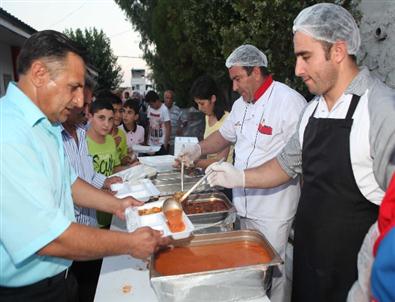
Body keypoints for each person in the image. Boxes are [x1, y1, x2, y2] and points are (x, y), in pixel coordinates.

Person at [204, 3, 395, 302]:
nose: (297, 69)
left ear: (338, 51)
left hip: (353, 275)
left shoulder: (382, 111)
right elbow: (283, 166)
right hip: (308, 261)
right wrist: (238, 176)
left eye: (306, 57)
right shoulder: (311, 112)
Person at [0, 30, 169, 302]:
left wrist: (119, 205)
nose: (80, 101)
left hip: (62, 279)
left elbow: (69, 182)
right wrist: (130, 243)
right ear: (39, 74)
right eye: (73, 87)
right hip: (26, 293)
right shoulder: (8, 135)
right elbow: (49, 238)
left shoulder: (45, 125)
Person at [179, 44, 306, 302]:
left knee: (275, 272)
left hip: (274, 209)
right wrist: (197, 148)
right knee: (249, 271)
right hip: (242, 206)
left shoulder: (289, 102)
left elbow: (297, 162)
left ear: (256, 72)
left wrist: (241, 176)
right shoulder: (240, 105)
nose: (234, 87)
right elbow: (223, 137)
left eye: (237, 79)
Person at [61, 76, 122, 302]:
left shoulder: (82, 134)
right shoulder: (54, 137)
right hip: (71, 234)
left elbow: (87, 175)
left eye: (88, 105)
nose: (85, 112)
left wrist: (107, 182)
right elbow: (70, 186)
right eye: (84, 106)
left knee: (94, 286)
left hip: (91, 224)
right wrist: (113, 202)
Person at [189, 75, 233, 169]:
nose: (199, 108)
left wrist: (193, 162)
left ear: (213, 98)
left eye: (202, 103)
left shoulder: (227, 120)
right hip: (209, 173)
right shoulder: (207, 117)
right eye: (197, 104)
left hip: (225, 176)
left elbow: (220, 160)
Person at [145, 90, 171, 155]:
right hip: (151, 143)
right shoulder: (149, 108)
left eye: (151, 104)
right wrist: (147, 140)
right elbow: (149, 124)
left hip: (161, 144)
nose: (150, 106)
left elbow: (168, 127)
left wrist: (165, 144)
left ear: (157, 101)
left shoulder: (164, 109)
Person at [164, 89, 185, 154]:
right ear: (164, 98)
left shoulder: (177, 110)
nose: (169, 100)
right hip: (162, 141)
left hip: (173, 142)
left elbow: (183, 122)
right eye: (167, 98)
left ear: (173, 99)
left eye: (171, 98)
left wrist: (181, 127)